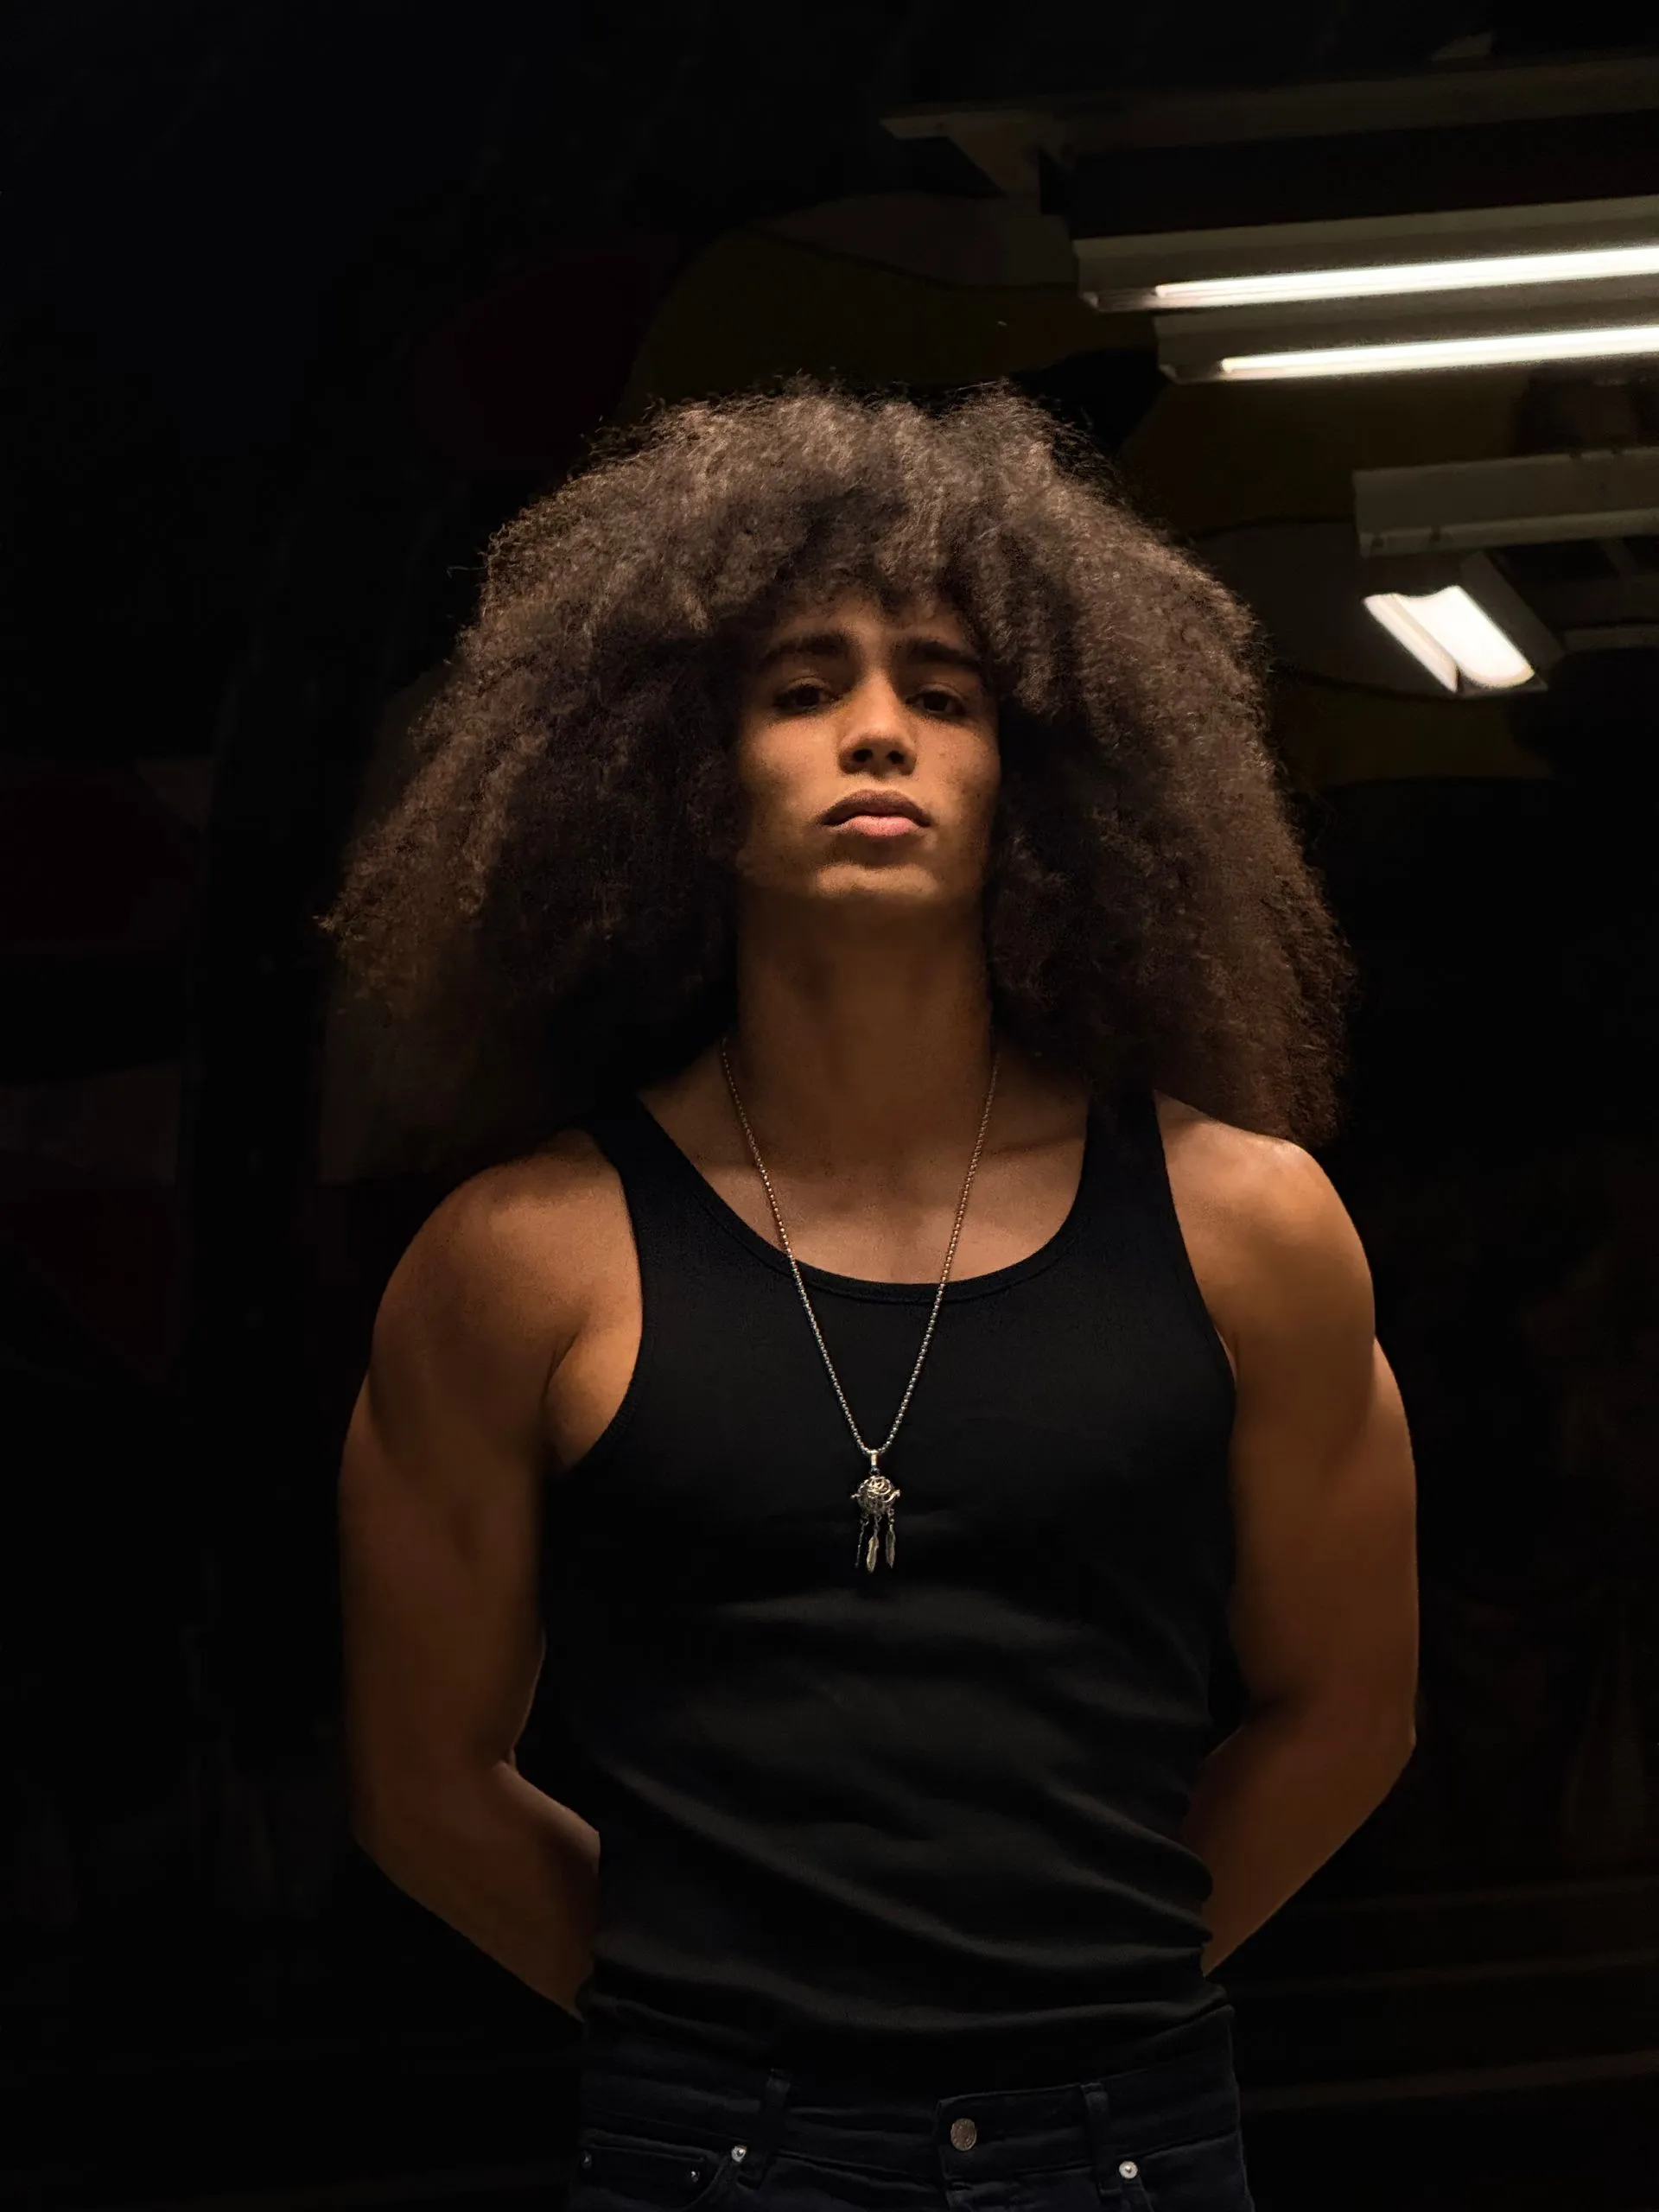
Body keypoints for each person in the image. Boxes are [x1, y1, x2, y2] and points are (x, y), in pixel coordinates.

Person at [323, 381, 1419, 2212]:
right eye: (801, 685)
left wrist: (1089, 1999)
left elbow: (1349, 1714)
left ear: (1045, 773)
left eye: (948, 689)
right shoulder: (524, 1259)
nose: (881, 734)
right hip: (711, 2153)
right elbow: (425, 1782)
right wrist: (727, 2037)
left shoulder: (1253, 1223)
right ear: (681, 771)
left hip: (1131, 2138)